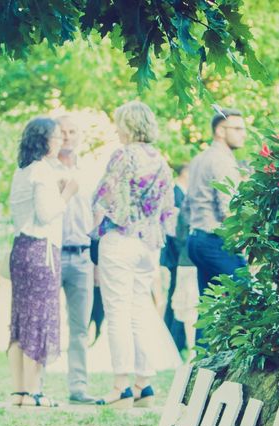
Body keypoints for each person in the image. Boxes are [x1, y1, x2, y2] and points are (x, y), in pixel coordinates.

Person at [92, 100, 176, 408]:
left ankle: (120, 385)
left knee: (117, 312)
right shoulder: (161, 161)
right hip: (148, 244)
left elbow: (103, 195)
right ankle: (145, 383)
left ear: (127, 125)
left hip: (121, 237)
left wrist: (96, 224)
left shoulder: (123, 156)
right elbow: (169, 209)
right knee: (141, 310)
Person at [5, 117, 79, 407]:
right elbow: (48, 213)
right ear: (44, 141)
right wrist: (67, 193)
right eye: (56, 137)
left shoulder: (22, 171)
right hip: (42, 251)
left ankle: (19, 391)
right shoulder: (43, 171)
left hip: (21, 248)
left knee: (20, 319)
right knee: (40, 319)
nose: (60, 141)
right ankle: (34, 392)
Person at [55, 115, 97, 404]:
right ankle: (36, 385)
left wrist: (97, 260)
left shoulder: (91, 172)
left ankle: (78, 387)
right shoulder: (45, 169)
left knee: (80, 326)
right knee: (45, 321)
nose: (68, 136)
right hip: (52, 253)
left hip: (82, 256)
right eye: (63, 132)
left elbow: (99, 217)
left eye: (73, 131)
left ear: (80, 136)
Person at [184, 107, 248, 295]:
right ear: (220, 131)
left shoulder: (199, 159)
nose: (243, 135)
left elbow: (187, 206)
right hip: (215, 240)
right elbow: (229, 209)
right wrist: (242, 244)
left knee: (211, 307)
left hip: (196, 239)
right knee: (246, 296)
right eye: (237, 129)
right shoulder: (222, 160)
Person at [161, 164, 197, 354]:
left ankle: (177, 343)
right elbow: (176, 233)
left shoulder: (187, 197)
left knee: (181, 304)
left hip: (184, 259)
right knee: (180, 305)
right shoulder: (178, 195)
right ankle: (175, 343)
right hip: (180, 259)